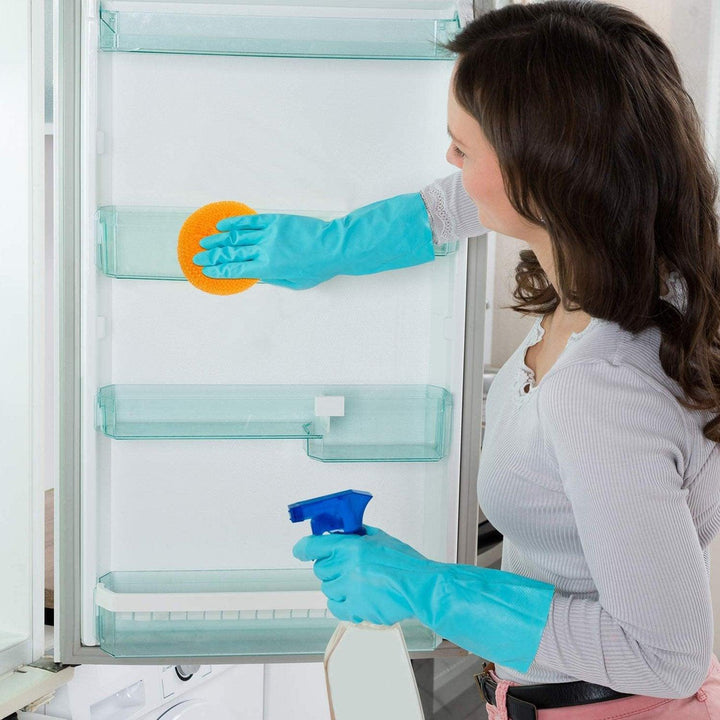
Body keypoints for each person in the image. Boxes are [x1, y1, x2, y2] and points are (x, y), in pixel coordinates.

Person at [193, 2, 720, 717]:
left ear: (542, 171)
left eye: (462, 147)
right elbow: (454, 206)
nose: (450, 160)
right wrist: (331, 246)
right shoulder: (641, 261)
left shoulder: (602, 389)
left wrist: (426, 588)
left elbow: (665, 654)